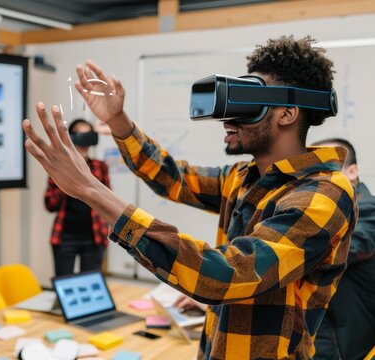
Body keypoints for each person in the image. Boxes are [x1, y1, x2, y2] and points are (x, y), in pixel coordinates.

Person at [22, 36, 357, 359]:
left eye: (248, 102)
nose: (227, 118)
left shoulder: (323, 194)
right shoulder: (244, 178)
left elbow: (226, 274)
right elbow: (173, 178)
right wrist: (118, 121)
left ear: (287, 113)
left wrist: (91, 190)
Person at [310, 138, 375, 360]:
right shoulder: (326, 218)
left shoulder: (368, 213)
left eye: (327, 170)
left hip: (349, 350)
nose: (318, 181)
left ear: (352, 171)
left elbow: (349, 246)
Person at [44, 119, 110, 276]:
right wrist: (67, 177)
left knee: (91, 287)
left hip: (94, 236)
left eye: (89, 135)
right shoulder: (59, 168)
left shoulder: (100, 167)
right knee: (64, 286)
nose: (85, 141)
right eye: (82, 135)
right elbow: (49, 203)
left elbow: (107, 200)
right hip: (65, 236)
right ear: (71, 139)